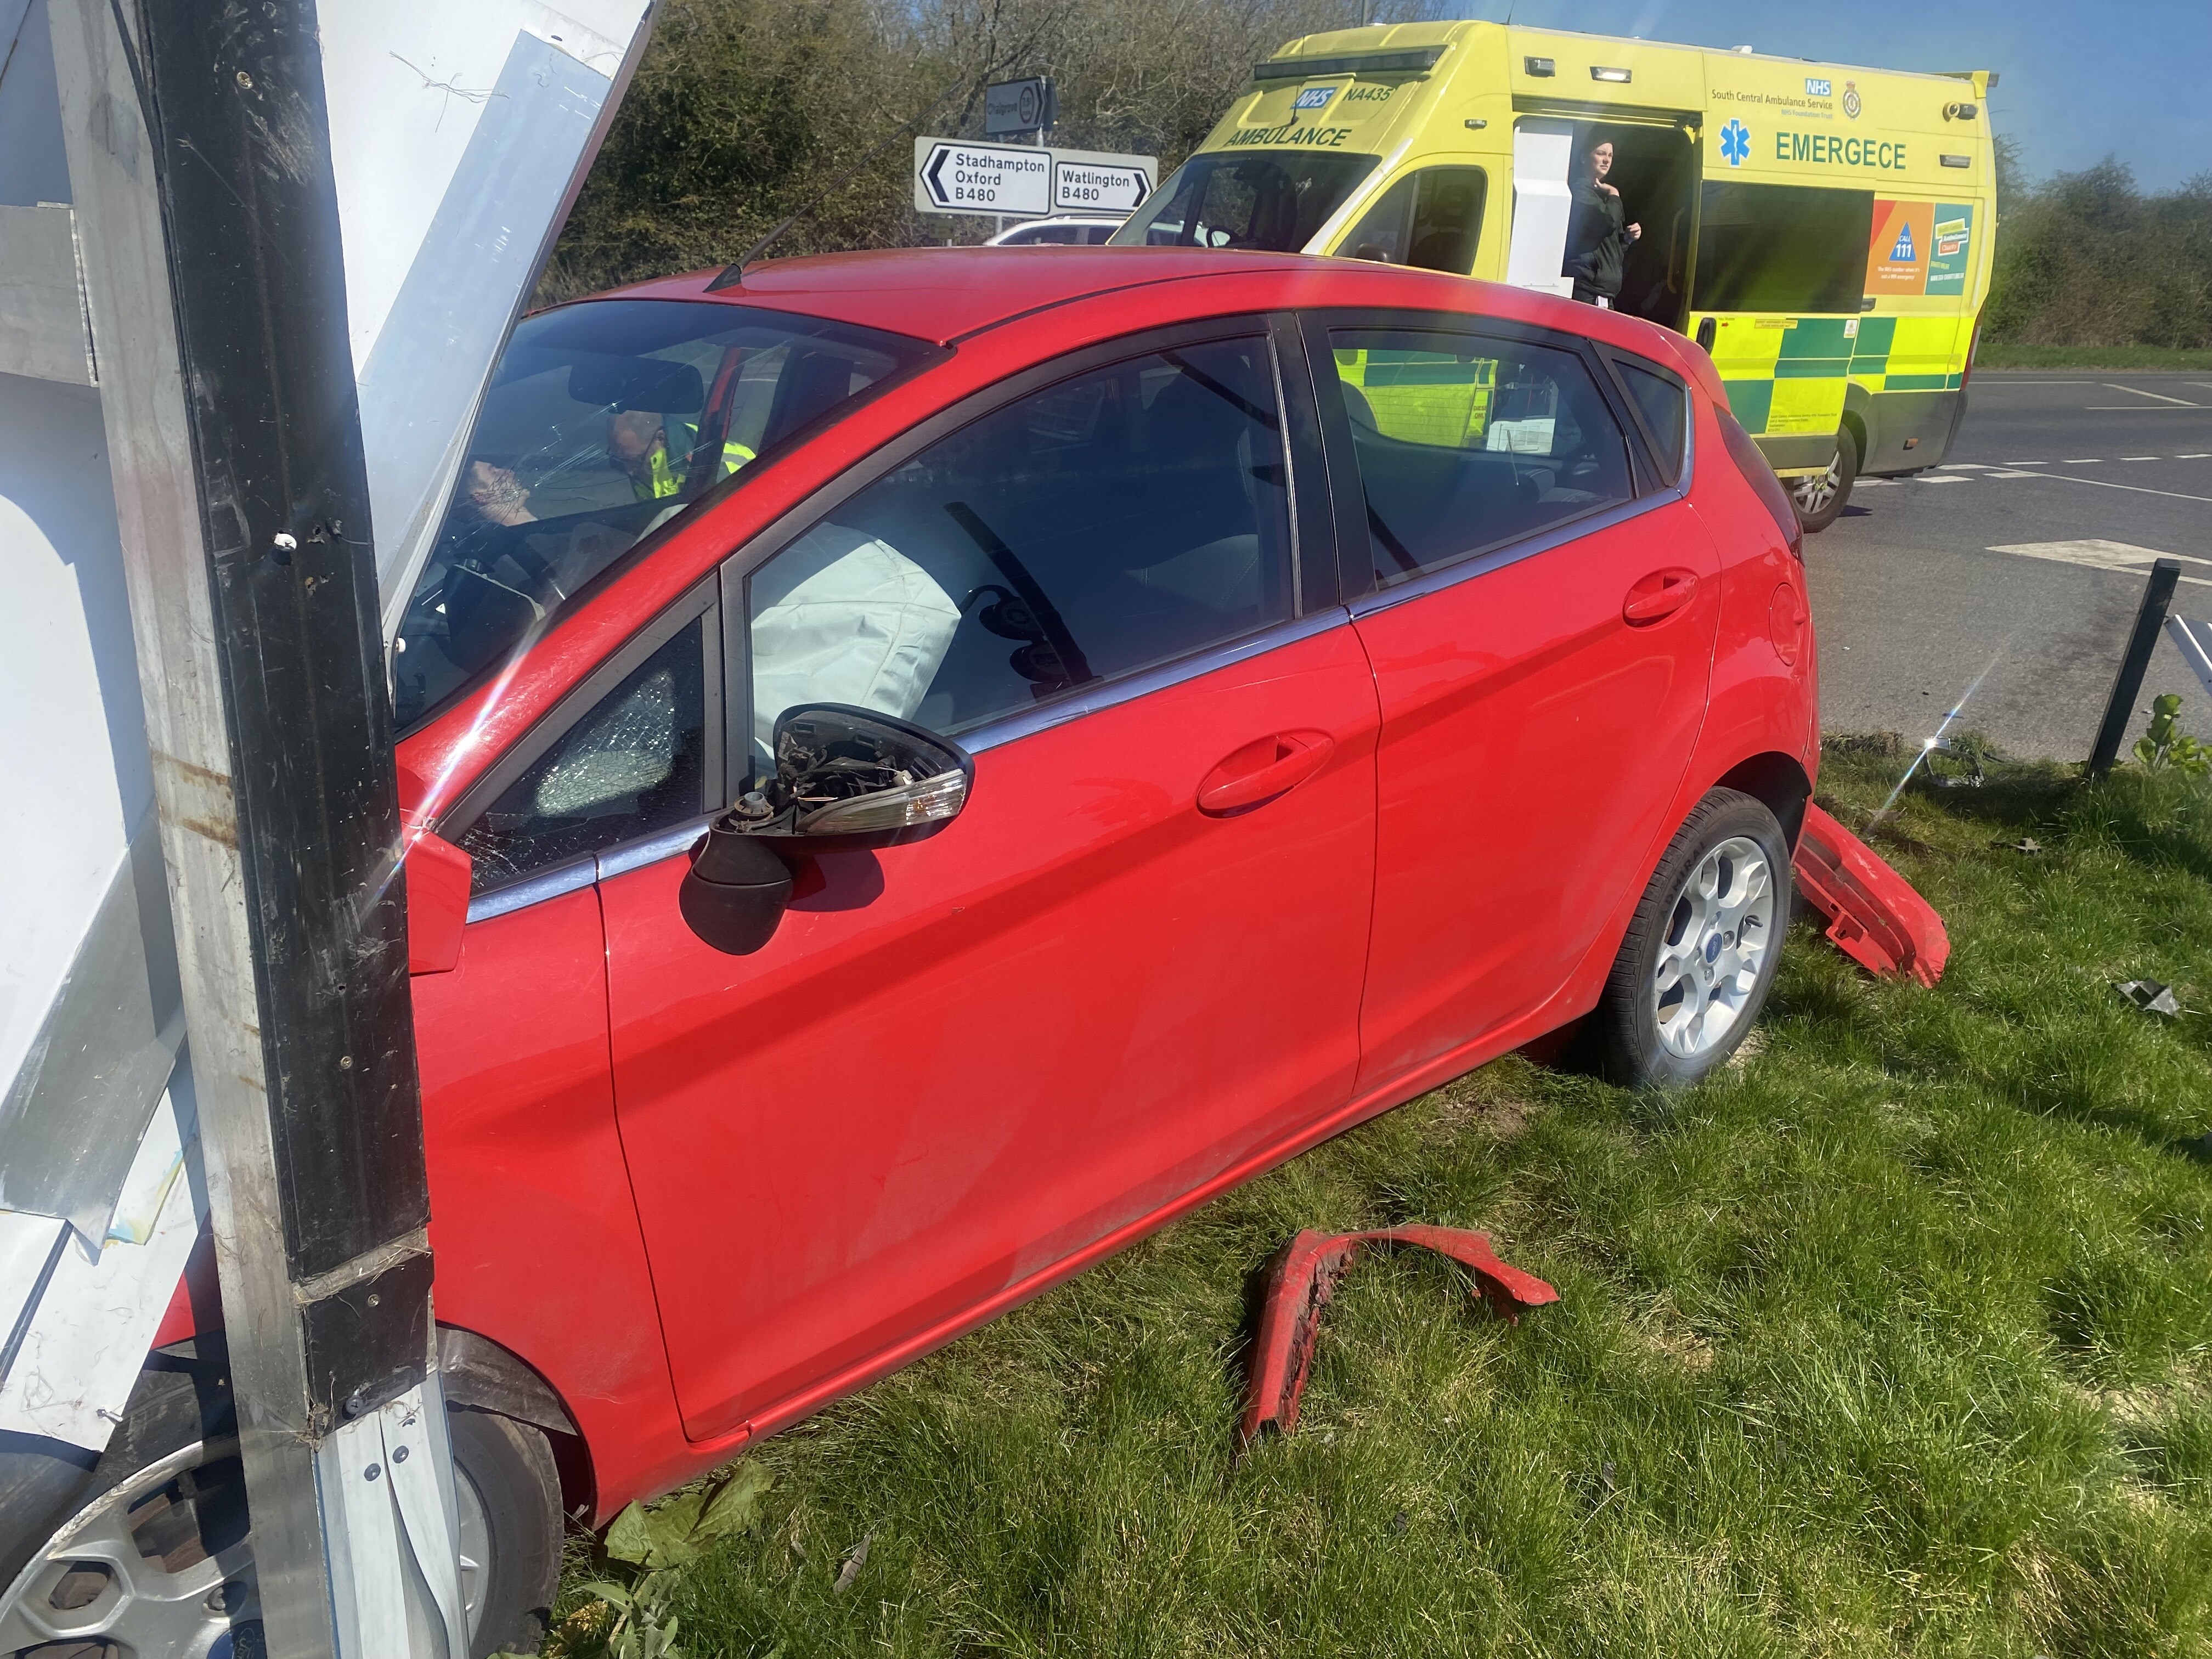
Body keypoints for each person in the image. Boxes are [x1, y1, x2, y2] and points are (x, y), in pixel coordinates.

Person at [606, 409, 757, 503]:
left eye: (635, 461)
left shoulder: (715, 467)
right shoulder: (643, 454)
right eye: (618, 461)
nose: (629, 471)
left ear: (660, 439)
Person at [1561, 139, 1641, 309]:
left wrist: (1627, 238)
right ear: (1584, 158)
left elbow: (1610, 245)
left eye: (1611, 155)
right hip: (1587, 291)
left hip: (1603, 293)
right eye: (1601, 153)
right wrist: (1614, 193)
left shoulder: (1604, 196)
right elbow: (1607, 222)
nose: (1607, 160)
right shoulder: (1581, 192)